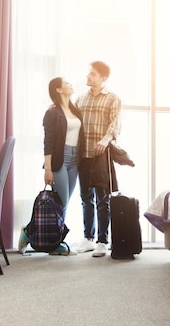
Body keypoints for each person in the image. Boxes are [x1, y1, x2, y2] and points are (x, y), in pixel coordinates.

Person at [18, 77, 85, 256]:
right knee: (61, 203)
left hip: (74, 160)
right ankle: (56, 244)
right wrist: (48, 168)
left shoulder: (75, 110)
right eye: (67, 83)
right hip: (58, 160)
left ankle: (28, 232)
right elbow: (48, 142)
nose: (71, 84)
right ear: (58, 89)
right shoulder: (52, 113)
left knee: (65, 203)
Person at [74, 61, 121, 257]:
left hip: (101, 155)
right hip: (82, 154)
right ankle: (88, 238)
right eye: (89, 73)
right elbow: (71, 119)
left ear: (103, 78)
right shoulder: (80, 99)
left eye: (92, 74)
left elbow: (115, 124)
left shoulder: (112, 98)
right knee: (86, 198)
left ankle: (103, 241)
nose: (88, 76)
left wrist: (105, 139)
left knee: (103, 199)